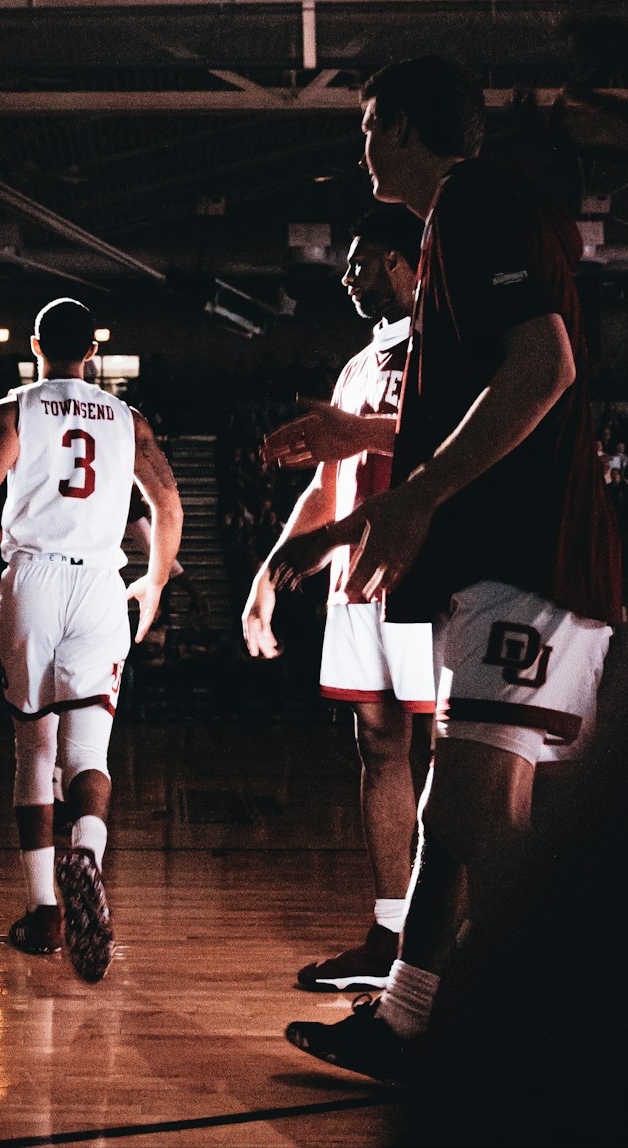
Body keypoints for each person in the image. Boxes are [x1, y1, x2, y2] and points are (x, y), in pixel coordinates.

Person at [272, 55, 621, 1082]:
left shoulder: (474, 204)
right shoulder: (461, 226)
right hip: (509, 561)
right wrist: (356, 510)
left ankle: (555, 1013)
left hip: (527, 556)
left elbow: (543, 366)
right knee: (450, 805)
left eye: (373, 122)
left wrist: (415, 497)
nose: (363, 142)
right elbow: (451, 412)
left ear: (415, 130)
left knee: (471, 807)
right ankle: (410, 1019)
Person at [0, 298, 182, 983]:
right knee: (88, 748)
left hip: (32, 579)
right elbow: (169, 506)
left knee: (33, 748)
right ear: (91, 352)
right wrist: (151, 584)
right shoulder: (130, 421)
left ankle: (44, 911)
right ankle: (86, 849)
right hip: (100, 583)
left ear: (36, 347)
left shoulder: (11, 411)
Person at [244, 205, 434, 992]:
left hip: (428, 564)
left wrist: (360, 436)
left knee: (448, 758)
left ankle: (448, 939)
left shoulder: (445, 339)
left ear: (400, 261)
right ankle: (390, 932)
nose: (347, 278)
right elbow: (328, 481)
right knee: (379, 746)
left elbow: (458, 436)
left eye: (359, 264)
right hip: (356, 576)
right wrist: (268, 570)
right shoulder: (359, 365)